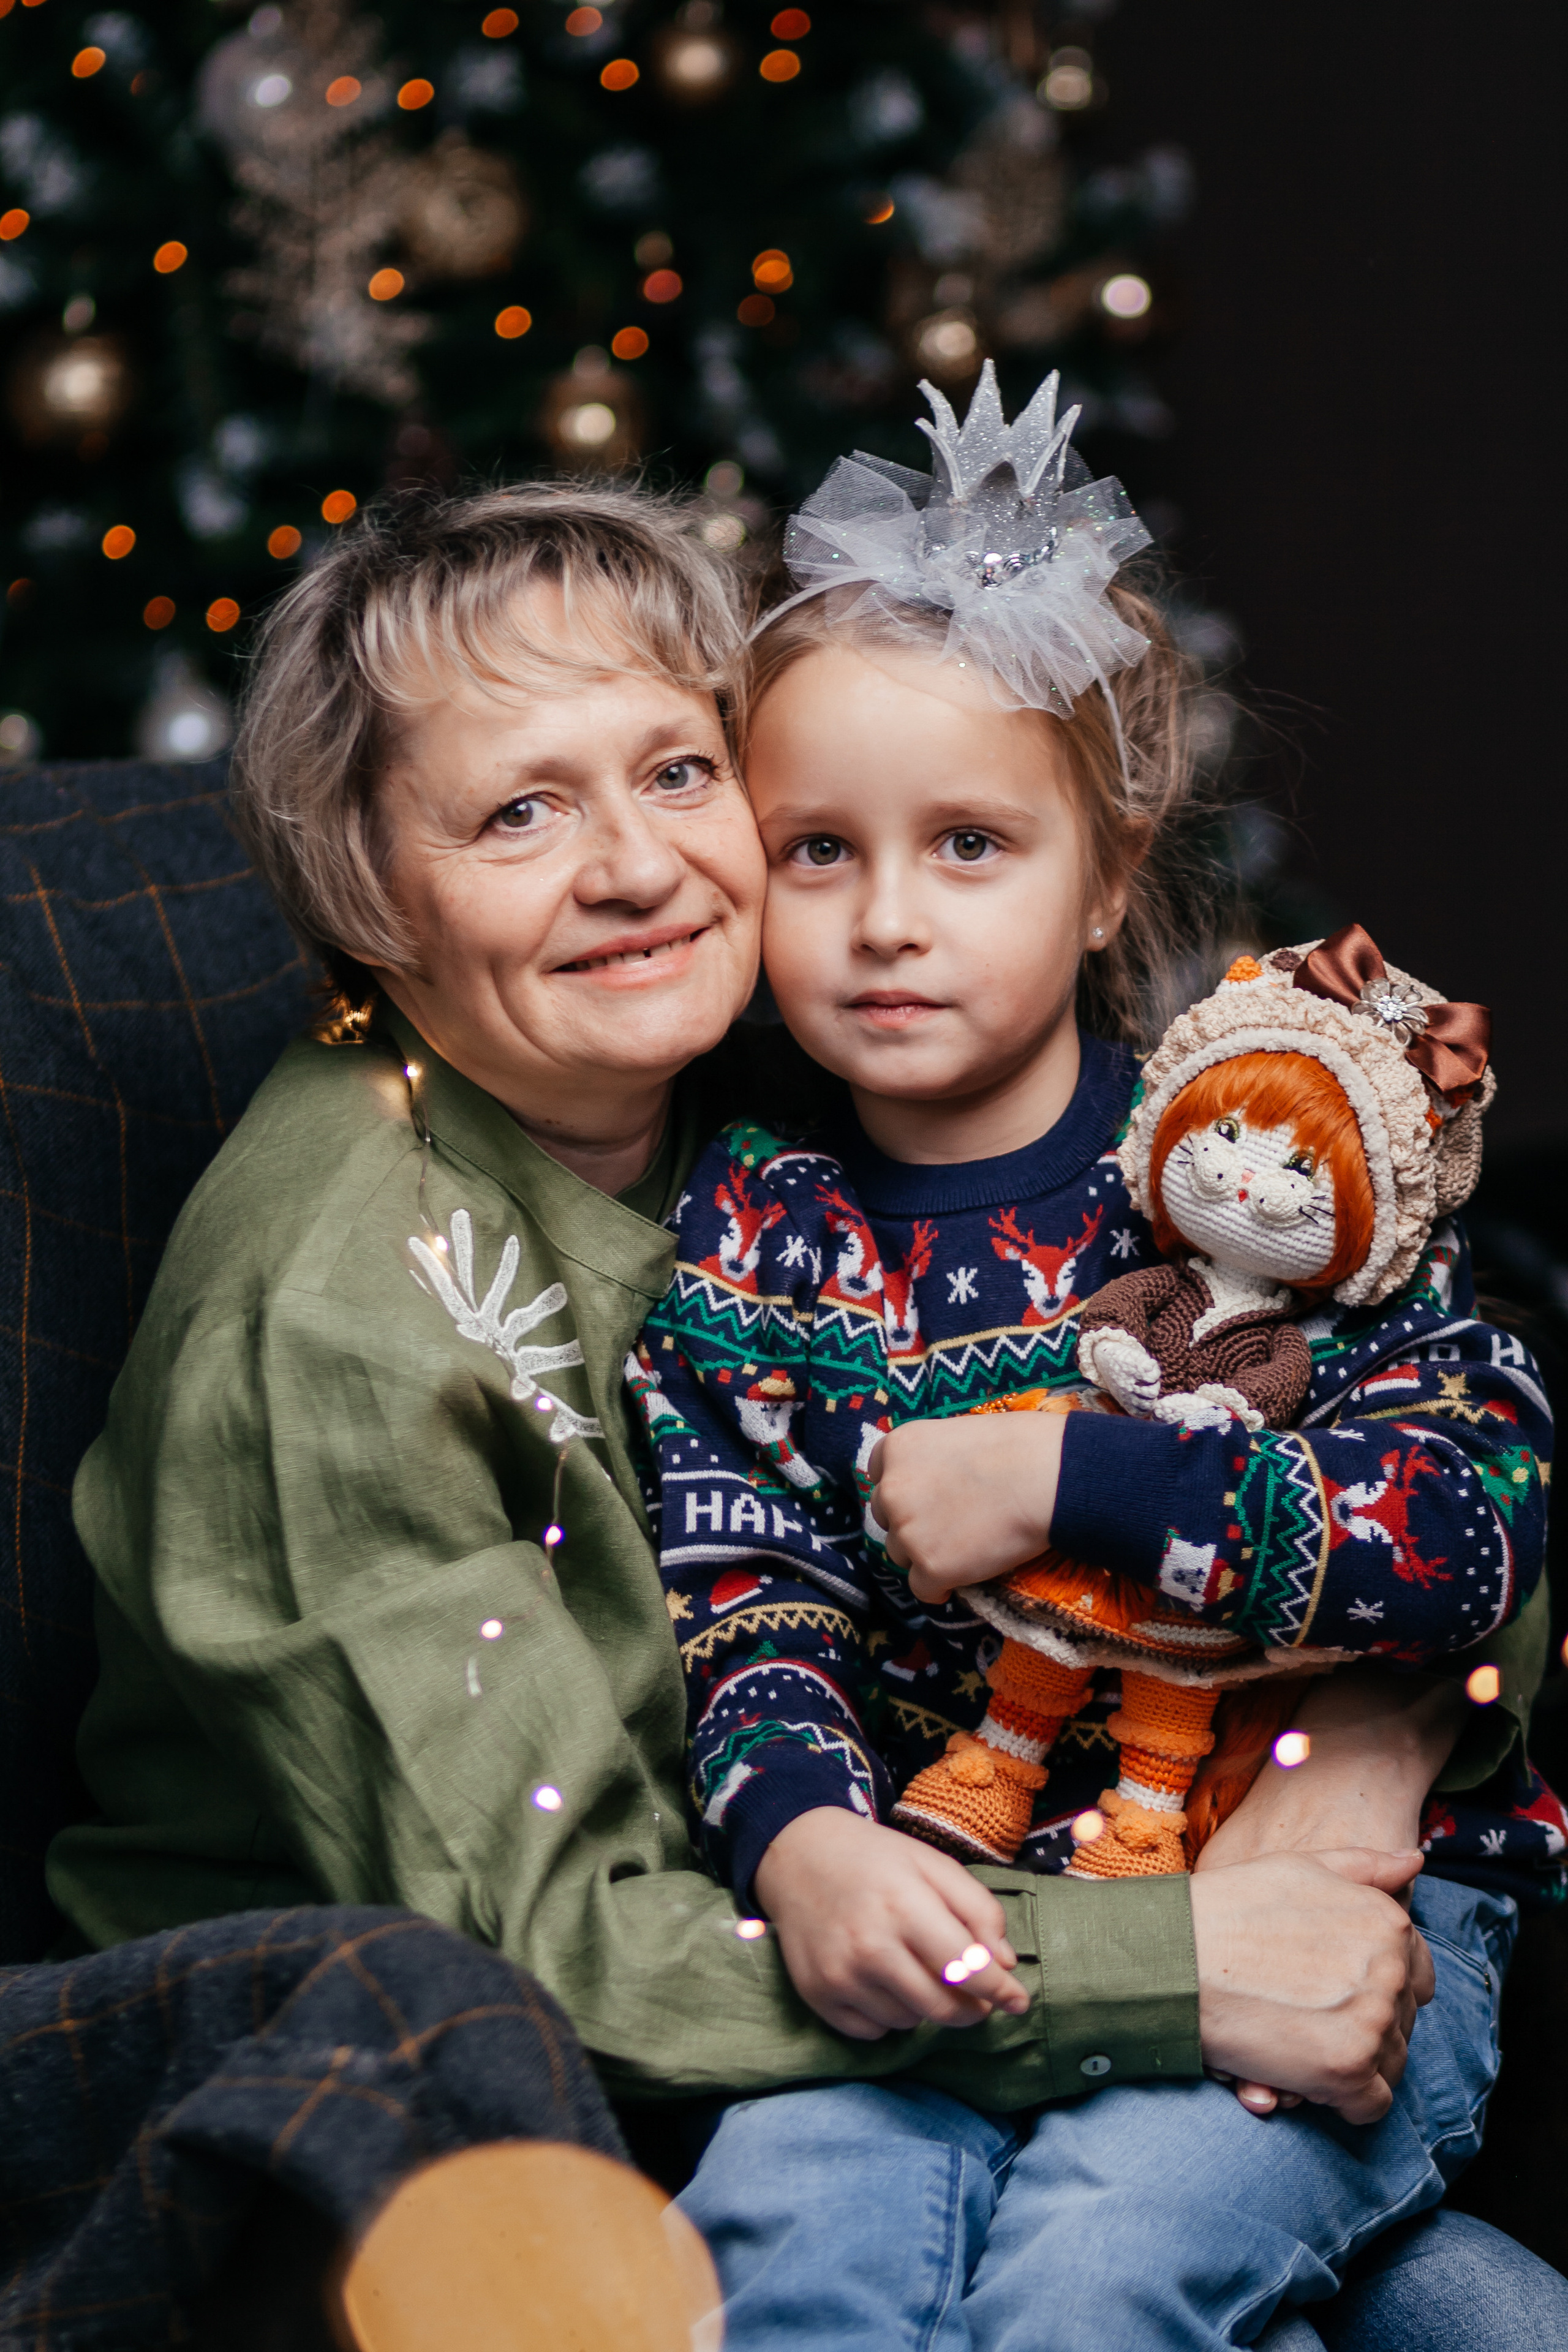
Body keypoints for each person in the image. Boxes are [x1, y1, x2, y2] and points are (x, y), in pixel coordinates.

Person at [40, 481, 1562, 2344]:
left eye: (678, 776)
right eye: (520, 809)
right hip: (493, 2081)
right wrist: (1172, 1968)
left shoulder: (808, 1051)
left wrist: (1371, 1748)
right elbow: (568, 1944)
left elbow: (1457, 1484)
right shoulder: (341, 1315)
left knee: (1471, 2308)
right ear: (368, 889)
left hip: (1020, 1906)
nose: (634, 868)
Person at [626, 372, 1564, 2344]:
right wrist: (800, 1837)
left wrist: (1077, 1476)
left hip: (1308, 1912)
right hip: (973, 1905)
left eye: (969, 845)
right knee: (793, 2240)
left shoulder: (1262, 1168)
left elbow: (1467, 1535)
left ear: (1106, 873)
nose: (888, 922)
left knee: (1100, 2268)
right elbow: (745, 1589)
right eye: (818, 852)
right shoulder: (758, 1222)